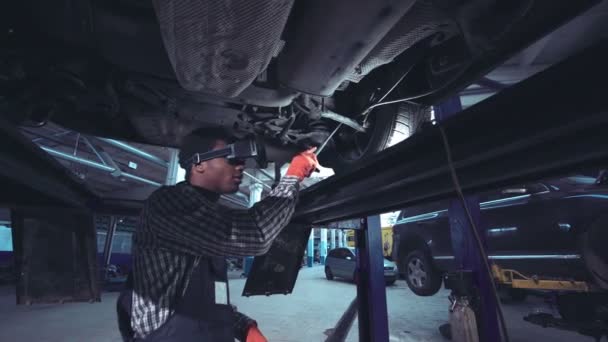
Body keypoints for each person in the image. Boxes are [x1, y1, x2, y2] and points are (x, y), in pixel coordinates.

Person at [120, 127, 319, 342]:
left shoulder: (210, 220)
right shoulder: (169, 203)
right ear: (199, 164)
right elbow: (255, 235)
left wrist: (243, 327)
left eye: (242, 159)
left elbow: (211, 300)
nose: (241, 165)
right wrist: (293, 176)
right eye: (232, 158)